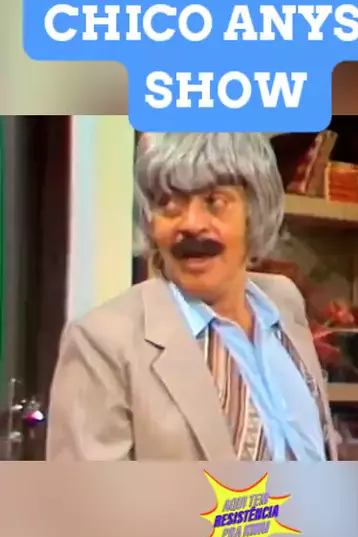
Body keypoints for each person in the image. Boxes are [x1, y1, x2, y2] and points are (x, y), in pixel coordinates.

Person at [46, 132, 338, 461]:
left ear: (255, 213)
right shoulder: (102, 342)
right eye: (169, 205)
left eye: (215, 202)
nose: (191, 224)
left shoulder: (283, 302)